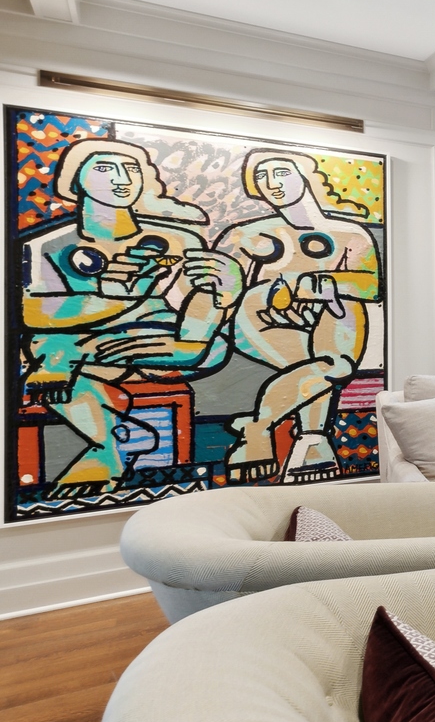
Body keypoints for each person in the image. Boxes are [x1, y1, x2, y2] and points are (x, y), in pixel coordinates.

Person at [21, 139, 243, 490]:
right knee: (44, 349)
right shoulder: (49, 244)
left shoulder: (179, 239)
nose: (122, 178)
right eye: (105, 169)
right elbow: (32, 311)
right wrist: (115, 299)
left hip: (163, 337)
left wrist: (200, 330)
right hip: (81, 340)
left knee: (53, 356)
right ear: (75, 181)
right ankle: (114, 439)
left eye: (132, 169)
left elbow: (203, 296)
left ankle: (112, 437)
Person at [212, 150, 380, 477]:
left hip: (332, 315)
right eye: (262, 177)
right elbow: (227, 289)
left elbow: (371, 287)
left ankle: (258, 427)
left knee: (334, 361)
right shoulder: (245, 235)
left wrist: (314, 285)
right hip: (263, 315)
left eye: (281, 172)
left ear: (304, 175)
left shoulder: (353, 235)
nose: (272, 183)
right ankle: (313, 440)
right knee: (314, 356)